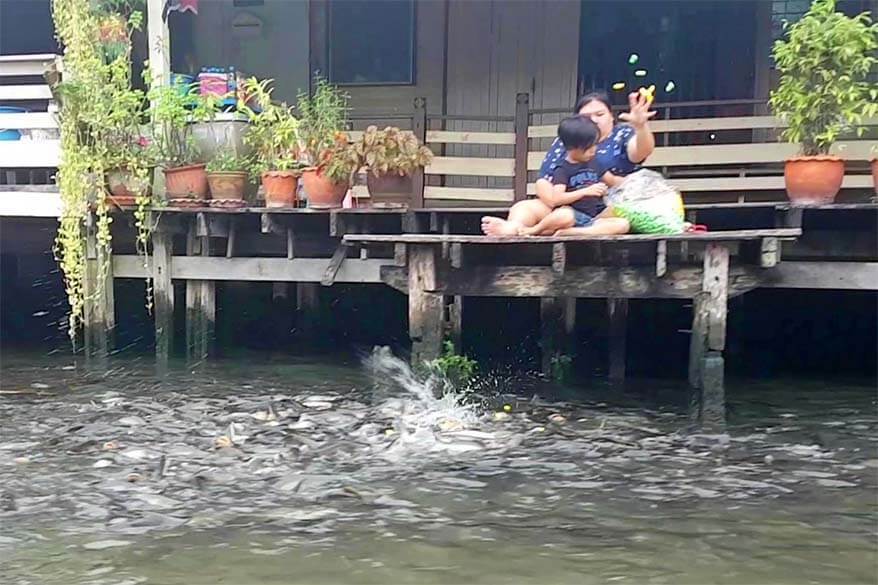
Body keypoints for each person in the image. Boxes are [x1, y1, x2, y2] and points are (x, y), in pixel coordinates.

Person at [481, 89, 656, 236]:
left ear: (611, 116)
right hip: (563, 204)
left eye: (600, 114)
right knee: (525, 207)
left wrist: (641, 127)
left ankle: (564, 230)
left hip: (605, 209)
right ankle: (513, 229)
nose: (593, 120)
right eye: (586, 116)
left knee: (622, 222)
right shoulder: (565, 142)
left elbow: (641, 151)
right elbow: (544, 180)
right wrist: (556, 201)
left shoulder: (622, 134)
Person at [519, 116, 621, 236]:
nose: (593, 150)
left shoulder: (595, 162)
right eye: (588, 148)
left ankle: (573, 233)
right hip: (573, 214)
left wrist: (632, 182)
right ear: (571, 148)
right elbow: (557, 198)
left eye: (595, 145)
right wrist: (585, 191)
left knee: (622, 223)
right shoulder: (562, 169)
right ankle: (535, 230)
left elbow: (612, 180)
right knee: (563, 215)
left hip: (594, 217)